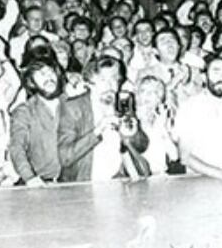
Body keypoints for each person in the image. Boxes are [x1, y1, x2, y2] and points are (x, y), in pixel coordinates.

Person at [57, 56, 149, 182]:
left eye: (114, 79)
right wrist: (98, 130)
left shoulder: (123, 103)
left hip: (119, 180)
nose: (110, 86)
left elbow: (142, 146)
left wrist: (133, 133)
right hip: (86, 182)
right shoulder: (73, 107)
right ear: (89, 83)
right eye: (103, 80)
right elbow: (65, 157)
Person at [174, 55, 222, 181]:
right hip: (199, 179)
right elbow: (185, 156)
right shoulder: (189, 106)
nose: (221, 77)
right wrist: (221, 174)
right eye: (216, 71)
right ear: (204, 77)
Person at [9, 54, 65, 186]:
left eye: (50, 72)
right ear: (31, 82)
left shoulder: (72, 104)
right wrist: (29, 177)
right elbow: (17, 147)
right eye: (41, 74)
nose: (48, 78)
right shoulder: (24, 111)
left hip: (74, 182)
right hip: (41, 183)